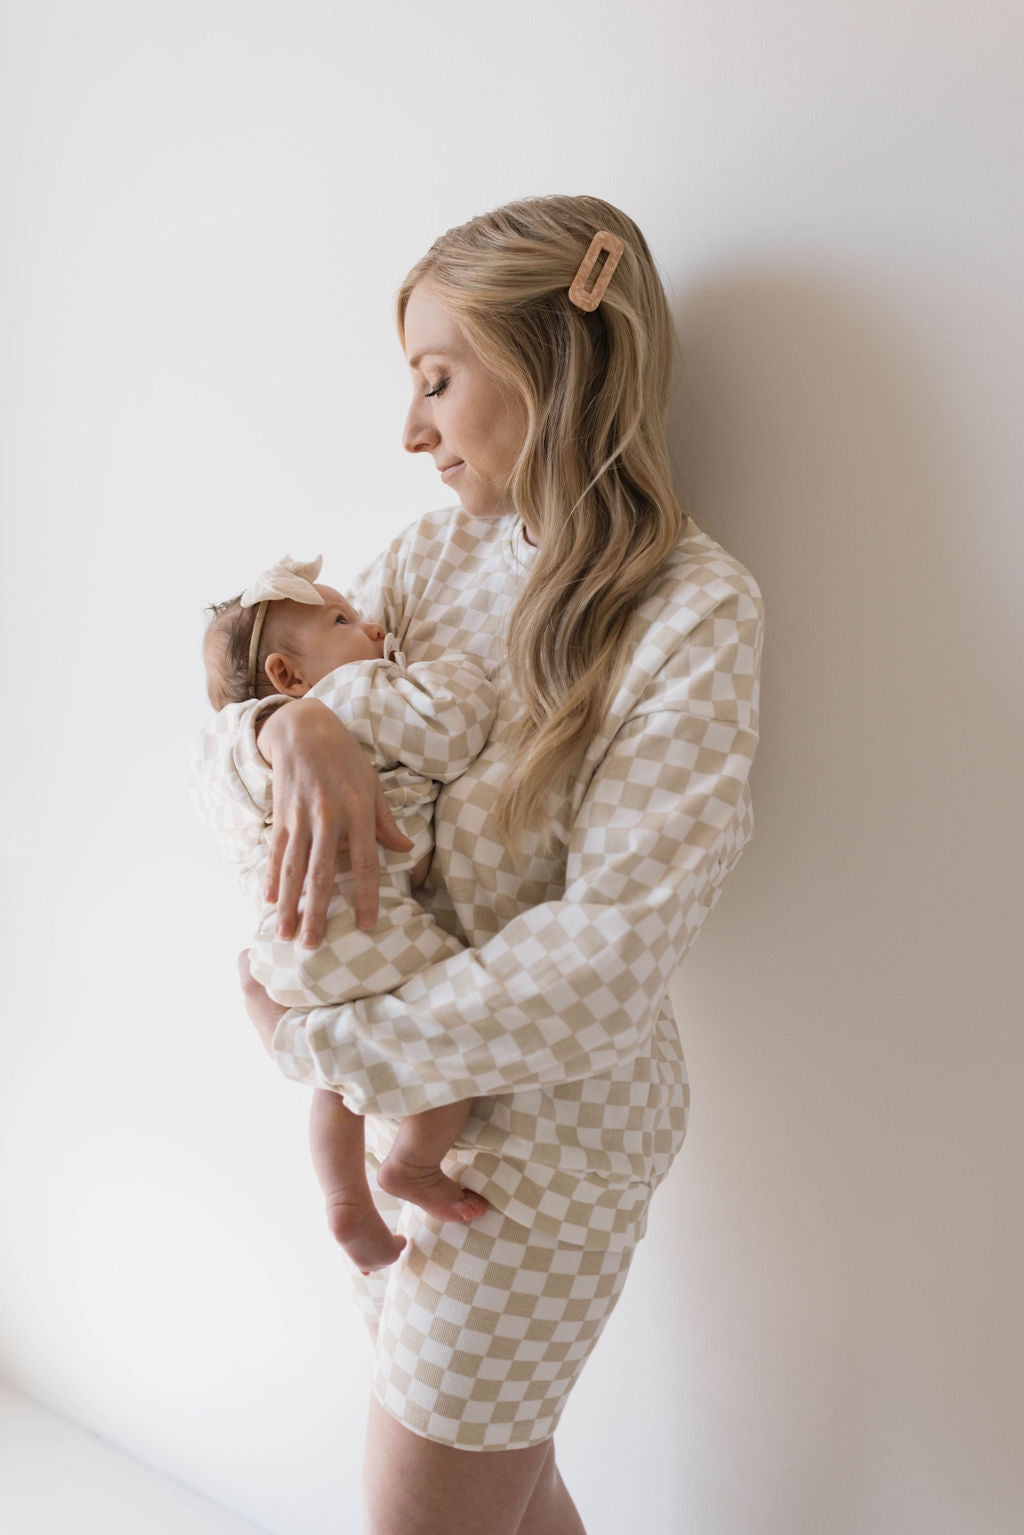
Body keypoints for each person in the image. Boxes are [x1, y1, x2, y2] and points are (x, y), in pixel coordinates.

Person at [197, 195, 764, 1535]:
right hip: (402, 1139)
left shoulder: (693, 611)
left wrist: (328, 1055)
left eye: (437, 379)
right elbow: (231, 738)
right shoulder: (425, 558)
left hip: (538, 1163)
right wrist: (289, 728)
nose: (411, 430)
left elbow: (612, 953)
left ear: (558, 362)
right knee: (510, 1500)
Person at [195, 556, 494, 1273]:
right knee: (462, 1026)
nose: (374, 625)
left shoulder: (246, 759)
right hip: (368, 924)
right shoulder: (360, 693)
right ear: (289, 676)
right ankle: (412, 1163)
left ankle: (343, 1196)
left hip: (283, 947)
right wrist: (459, 674)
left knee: (339, 1083)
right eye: (342, 621)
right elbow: (452, 734)